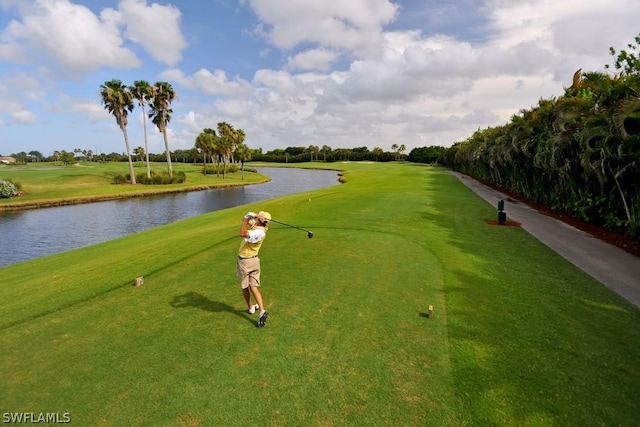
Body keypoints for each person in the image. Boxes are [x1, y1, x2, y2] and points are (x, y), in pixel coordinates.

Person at [237, 210, 271, 327]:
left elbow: (242, 233)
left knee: (244, 286)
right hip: (254, 261)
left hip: (245, 262)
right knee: (254, 287)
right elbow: (253, 224)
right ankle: (261, 310)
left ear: (260, 221)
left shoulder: (258, 233)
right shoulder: (262, 229)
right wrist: (250, 217)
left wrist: (246, 219)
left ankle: (251, 307)